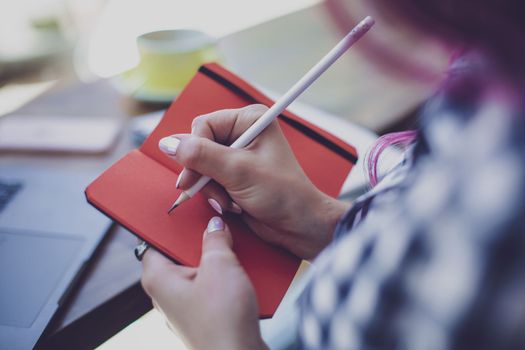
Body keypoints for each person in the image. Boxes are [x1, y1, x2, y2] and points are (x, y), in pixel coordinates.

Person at [140, 0, 525, 348]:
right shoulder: (489, 69)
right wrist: (316, 220)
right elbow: (434, 244)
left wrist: (226, 342)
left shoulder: (504, 148)